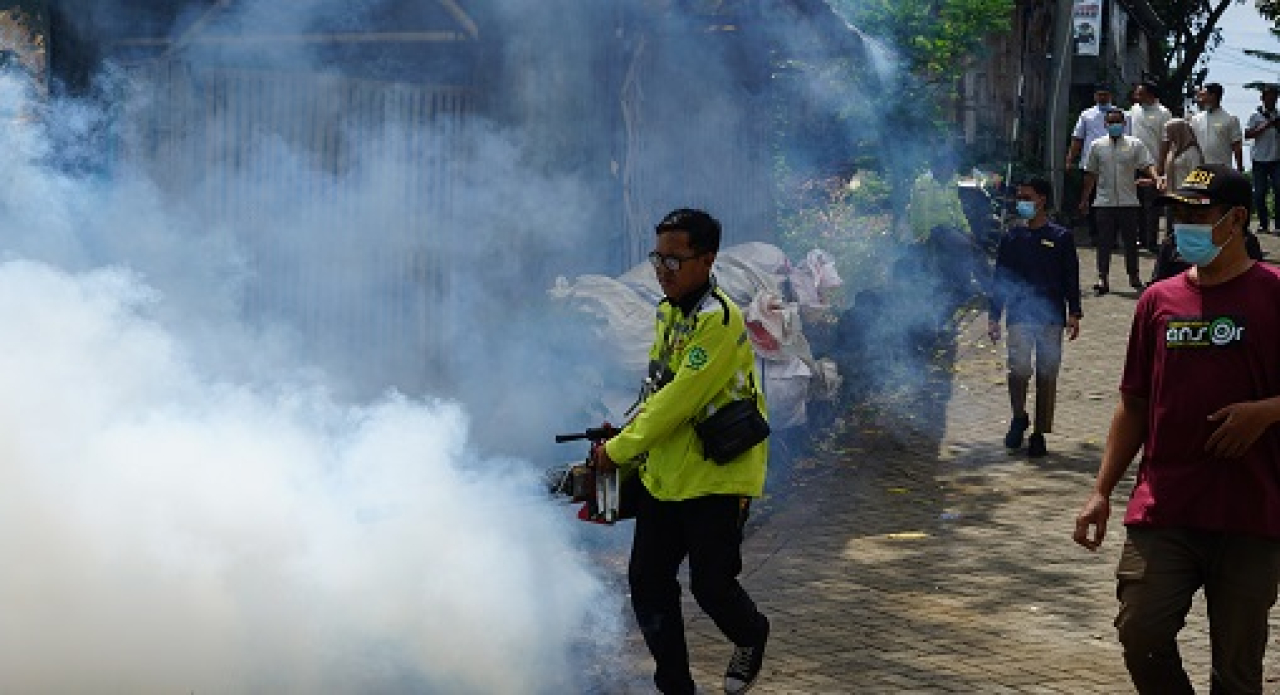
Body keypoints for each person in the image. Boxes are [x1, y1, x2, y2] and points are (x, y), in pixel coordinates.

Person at [1073, 164, 1280, 694]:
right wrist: (1100, 492)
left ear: (1237, 220)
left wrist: (1266, 412)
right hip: (1165, 507)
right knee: (1140, 630)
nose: (1181, 225)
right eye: (1177, 213)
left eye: (1196, 214)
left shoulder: (1274, 292)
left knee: (1237, 673)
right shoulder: (1157, 301)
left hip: (1252, 511)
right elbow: (1134, 404)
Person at [594, 208, 770, 695]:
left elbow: (679, 401)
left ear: (707, 260)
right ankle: (675, 686)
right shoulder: (668, 313)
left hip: (718, 475)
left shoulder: (719, 321)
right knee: (648, 583)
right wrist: (624, 434)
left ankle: (751, 634)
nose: (662, 270)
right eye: (658, 259)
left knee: (711, 586)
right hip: (665, 476)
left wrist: (620, 450)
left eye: (673, 261)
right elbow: (656, 391)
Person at [987, 178, 1082, 458]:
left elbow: (1071, 277)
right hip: (1019, 314)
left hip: (1051, 316)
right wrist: (993, 316)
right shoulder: (1012, 237)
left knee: (1047, 374)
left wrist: (1074, 312)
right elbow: (1000, 279)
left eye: (1027, 197)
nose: (1021, 203)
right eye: (1019, 197)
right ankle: (1019, 416)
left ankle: (1040, 432)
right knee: (1018, 369)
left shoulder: (1061, 237)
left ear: (1042, 200)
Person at [1080, 107, 1157, 294]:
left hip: (1128, 201)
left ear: (1124, 124)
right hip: (1104, 202)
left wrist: (1156, 178)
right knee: (1104, 242)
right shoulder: (1097, 146)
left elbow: (1146, 164)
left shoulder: (1134, 144)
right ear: (1105, 124)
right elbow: (1091, 174)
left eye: (1118, 122)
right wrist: (1084, 199)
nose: (1114, 125)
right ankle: (1102, 276)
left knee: (1131, 242)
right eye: (1111, 122)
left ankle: (1134, 275)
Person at [1067, 84, 1127, 245]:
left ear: (1110, 96)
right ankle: (1095, 235)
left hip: (1115, 164)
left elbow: (1129, 139)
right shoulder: (1087, 115)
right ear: (1095, 96)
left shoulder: (1121, 114)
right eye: (1099, 95)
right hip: (1091, 164)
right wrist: (1070, 158)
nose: (1102, 98)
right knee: (1093, 201)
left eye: (1105, 94)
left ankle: (1112, 237)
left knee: (1114, 202)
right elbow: (1078, 138)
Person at [1150, 119, 1204, 283]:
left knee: (1178, 238)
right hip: (1173, 199)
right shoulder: (1175, 150)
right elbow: (1170, 173)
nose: (1167, 137)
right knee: (1171, 239)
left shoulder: (1192, 153)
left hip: (1186, 203)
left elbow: (1196, 182)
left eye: (1170, 132)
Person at [1129, 82, 1172, 251]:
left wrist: (1161, 166)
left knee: (1152, 205)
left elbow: (1166, 141)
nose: (1136, 97)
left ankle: (1151, 241)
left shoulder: (1163, 113)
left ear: (1150, 95)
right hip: (1133, 164)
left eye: (1140, 94)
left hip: (1153, 164)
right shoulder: (1134, 110)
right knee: (1136, 203)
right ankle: (1139, 238)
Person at [1245, 84, 1280, 234]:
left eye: (1274, 98)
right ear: (1262, 98)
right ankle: (1263, 223)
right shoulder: (1255, 115)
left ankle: (1278, 225)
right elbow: (1247, 134)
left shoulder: (1278, 115)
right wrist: (1265, 126)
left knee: (1279, 190)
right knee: (1259, 193)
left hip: (1276, 159)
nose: (1272, 101)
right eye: (1269, 98)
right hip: (1259, 159)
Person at [1190, 83, 1244, 171]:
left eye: (1204, 95)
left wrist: (1240, 169)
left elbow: (1237, 147)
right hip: (1200, 169)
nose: (1200, 98)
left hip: (1222, 169)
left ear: (1213, 96)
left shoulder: (1230, 119)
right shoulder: (1195, 119)